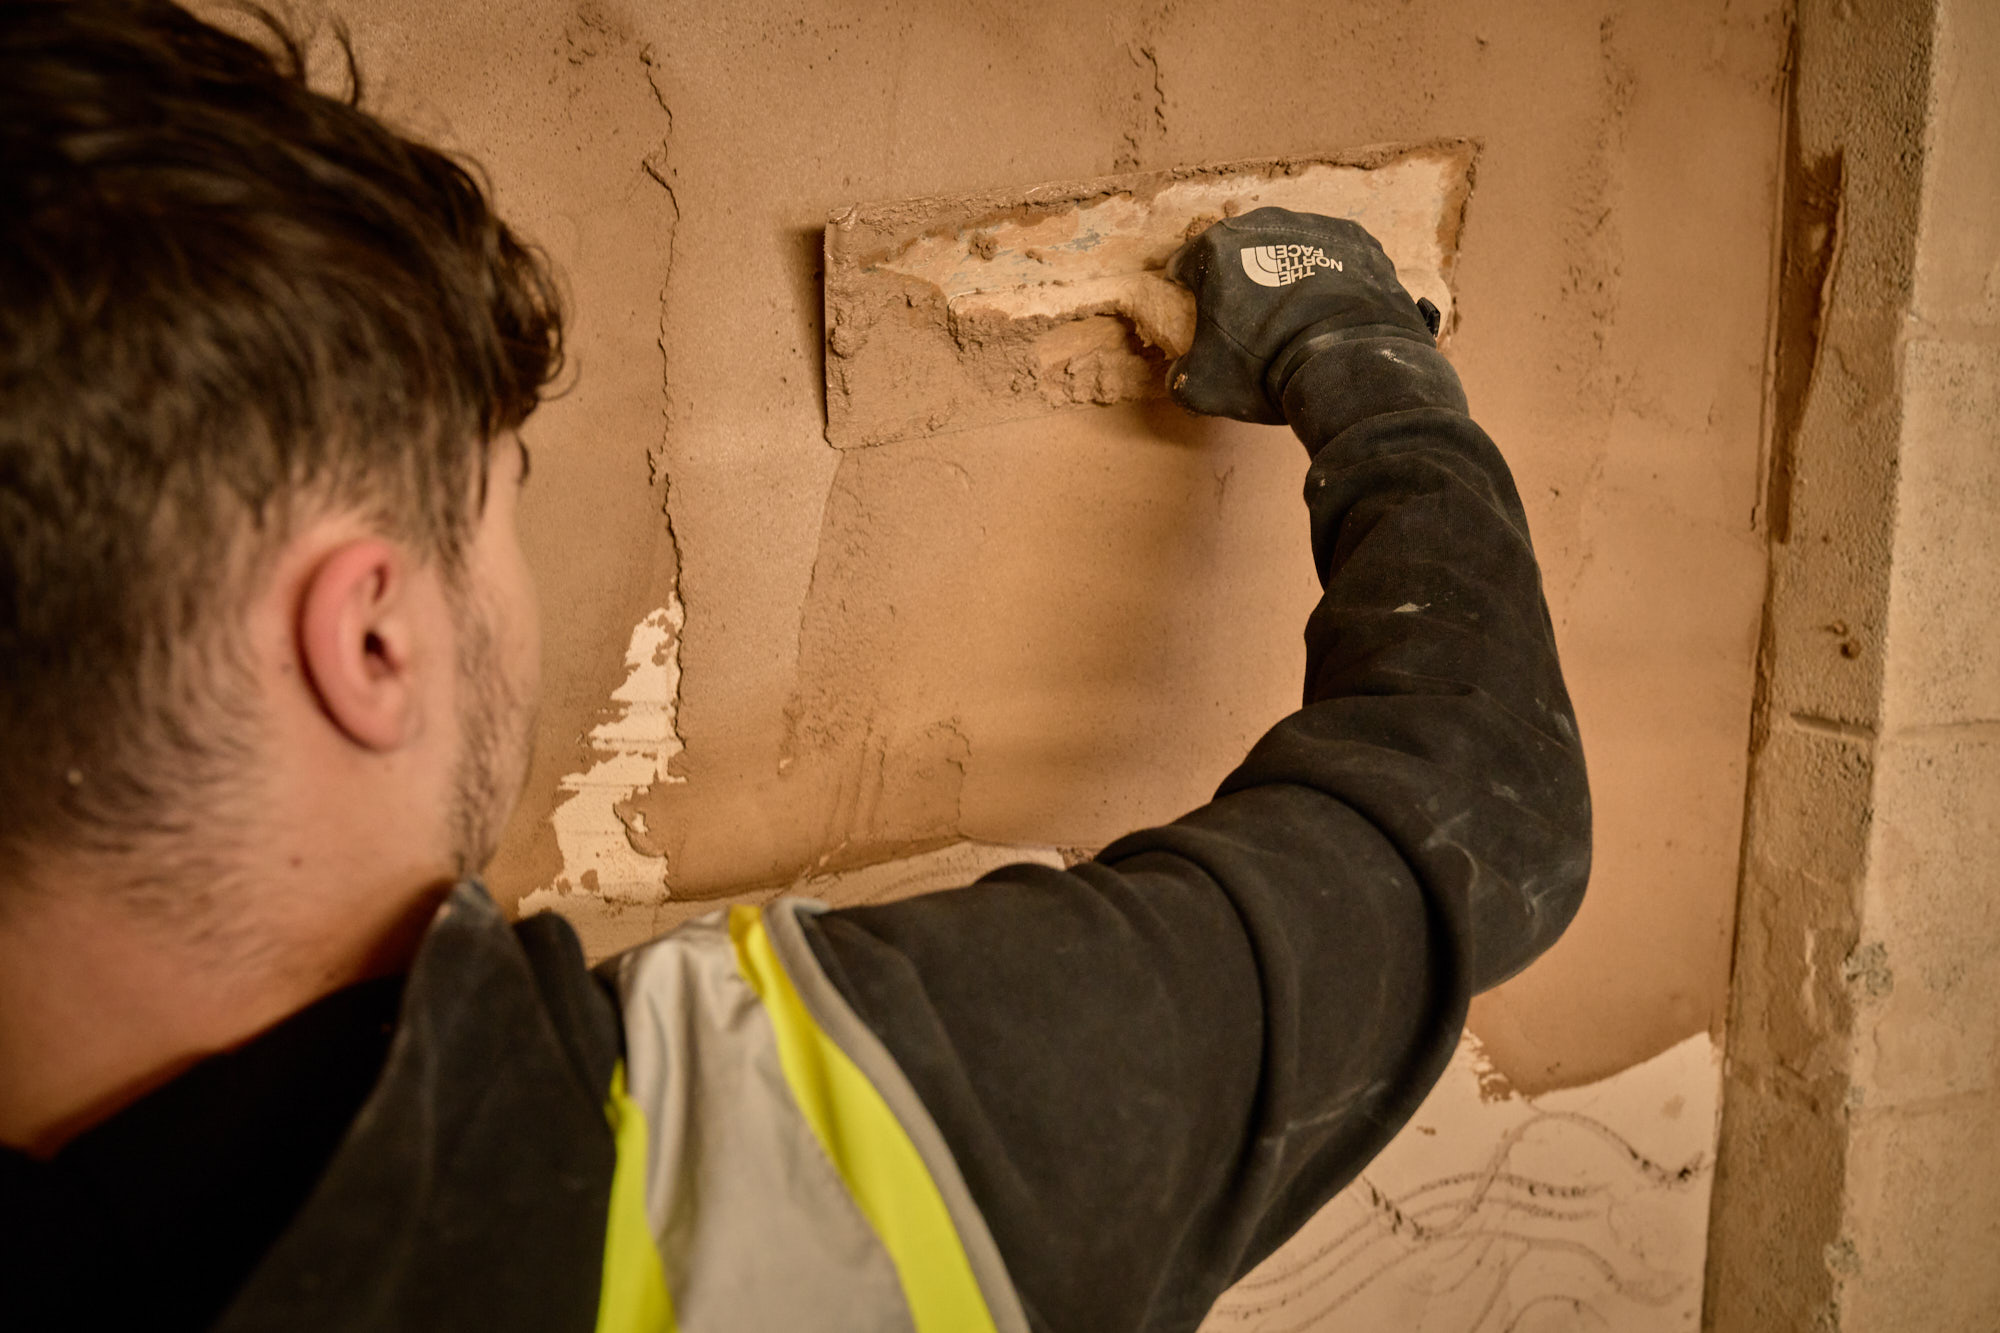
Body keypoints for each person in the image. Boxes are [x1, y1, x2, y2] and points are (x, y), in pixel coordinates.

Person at [0, 2, 1590, 1330]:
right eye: (497, 510)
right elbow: (1476, 808)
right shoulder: (798, 1149)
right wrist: (1357, 350)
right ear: (368, 639)